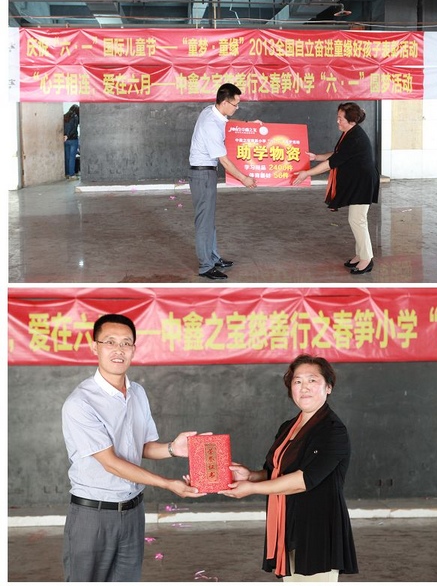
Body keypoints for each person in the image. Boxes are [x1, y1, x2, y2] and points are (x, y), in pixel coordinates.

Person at [62, 313, 206, 582]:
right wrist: (168, 484)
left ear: (134, 350)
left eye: (126, 343)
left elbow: (142, 447)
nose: (119, 350)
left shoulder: (138, 392)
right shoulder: (80, 403)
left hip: (132, 512)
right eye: (110, 342)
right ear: (94, 347)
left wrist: (173, 448)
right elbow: (112, 463)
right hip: (94, 515)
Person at [219, 354, 358, 582]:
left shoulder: (333, 430)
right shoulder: (288, 427)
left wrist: (252, 489)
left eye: (312, 380)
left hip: (318, 528)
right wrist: (251, 476)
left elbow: (303, 480)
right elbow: (273, 471)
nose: (304, 387)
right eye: (297, 381)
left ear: (328, 387)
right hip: (287, 523)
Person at [293, 102, 379, 275]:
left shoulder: (355, 137)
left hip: (363, 182)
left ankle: (366, 259)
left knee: (357, 220)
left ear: (351, 121)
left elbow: (331, 163)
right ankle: (360, 254)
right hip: (357, 181)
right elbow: (338, 154)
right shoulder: (349, 133)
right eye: (337, 117)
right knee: (356, 219)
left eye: (340, 118)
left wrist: (307, 173)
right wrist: (317, 157)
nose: (337, 121)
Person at [188, 83, 257, 280]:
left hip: (206, 173)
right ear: (225, 102)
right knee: (204, 221)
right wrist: (244, 179)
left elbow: (228, 123)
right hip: (202, 175)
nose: (237, 107)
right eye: (235, 104)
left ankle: (213, 257)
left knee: (208, 219)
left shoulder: (212, 111)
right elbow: (224, 160)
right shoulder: (211, 124)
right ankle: (205, 266)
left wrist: (248, 124)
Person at [64, 104, 79, 180]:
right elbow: (73, 128)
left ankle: (67, 174)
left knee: (67, 157)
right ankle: (71, 175)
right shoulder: (75, 117)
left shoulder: (65, 116)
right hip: (73, 139)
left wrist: (65, 135)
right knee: (72, 157)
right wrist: (68, 135)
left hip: (65, 139)